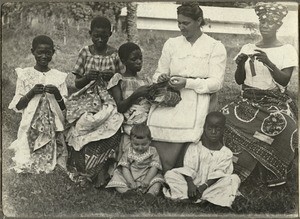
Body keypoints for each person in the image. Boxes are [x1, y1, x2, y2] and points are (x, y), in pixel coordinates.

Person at [220, 2, 298, 187]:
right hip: (247, 100)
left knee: (287, 125)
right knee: (222, 117)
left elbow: (285, 81)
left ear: (278, 25)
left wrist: (269, 63)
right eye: (263, 22)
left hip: (274, 100)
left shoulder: (287, 50)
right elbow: (239, 80)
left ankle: (272, 172)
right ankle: (235, 168)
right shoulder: (248, 47)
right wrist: (240, 64)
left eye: (270, 22)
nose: (265, 26)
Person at [147, 2, 227, 172]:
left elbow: (216, 83)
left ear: (199, 21)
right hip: (172, 95)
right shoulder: (172, 44)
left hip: (198, 95)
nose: (181, 27)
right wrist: (161, 78)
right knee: (158, 120)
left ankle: (179, 168)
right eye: (179, 23)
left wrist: (188, 83)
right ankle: (158, 167)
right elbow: (158, 73)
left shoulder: (214, 46)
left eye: (186, 23)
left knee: (189, 124)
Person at [65, 16, 124, 187]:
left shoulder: (115, 54)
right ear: (90, 33)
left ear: (110, 34)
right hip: (86, 96)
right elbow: (76, 83)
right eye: (96, 36)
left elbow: (122, 78)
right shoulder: (85, 52)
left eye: (104, 36)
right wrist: (86, 78)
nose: (100, 39)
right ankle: (83, 166)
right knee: (82, 123)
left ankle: (102, 168)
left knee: (112, 121)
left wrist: (112, 76)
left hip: (107, 96)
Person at [8, 35, 68, 174]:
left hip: (53, 125)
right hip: (31, 124)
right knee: (25, 157)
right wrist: (31, 93)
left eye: (48, 52)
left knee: (55, 157)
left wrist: (57, 94)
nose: (44, 56)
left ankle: (50, 154)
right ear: (32, 52)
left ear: (53, 52)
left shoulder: (58, 77)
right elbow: (18, 106)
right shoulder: (25, 75)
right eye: (40, 52)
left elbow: (64, 108)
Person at [163, 112, 241, 207]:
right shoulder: (195, 147)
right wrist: (190, 184)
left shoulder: (226, 153)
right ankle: (202, 198)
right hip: (192, 184)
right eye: (210, 128)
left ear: (223, 130)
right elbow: (188, 168)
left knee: (233, 179)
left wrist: (203, 188)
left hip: (211, 186)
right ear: (204, 128)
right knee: (170, 174)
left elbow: (220, 173)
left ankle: (195, 198)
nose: (213, 132)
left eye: (218, 129)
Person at [108, 42, 152, 158]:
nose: (139, 62)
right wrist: (136, 94)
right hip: (129, 125)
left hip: (147, 123)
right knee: (129, 156)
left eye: (140, 58)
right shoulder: (118, 79)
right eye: (134, 59)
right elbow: (120, 107)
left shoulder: (146, 80)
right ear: (123, 61)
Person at [106, 124, 164, 199]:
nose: (140, 148)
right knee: (117, 177)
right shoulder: (128, 151)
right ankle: (127, 192)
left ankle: (150, 194)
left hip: (146, 175)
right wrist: (131, 182)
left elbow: (154, 166)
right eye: (136, 144)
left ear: (150, 141)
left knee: (157, 182)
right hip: (131, 176)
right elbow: (125, 167)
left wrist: (147, 179)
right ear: (130, 141)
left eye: (144, 144)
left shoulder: (152, 151)